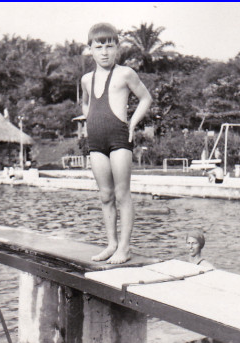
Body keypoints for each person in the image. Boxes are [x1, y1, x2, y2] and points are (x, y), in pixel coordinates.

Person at [81, 23, 152, 264]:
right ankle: (111, 243)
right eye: (98, 47)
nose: (104, 52)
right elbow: (85, 104)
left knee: (122, 194)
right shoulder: (86, 80)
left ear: (117, 49)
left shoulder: (125, 74)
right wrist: (88, 120)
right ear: (89, 49)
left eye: (109, 47)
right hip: (96, 141)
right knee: (105, 195)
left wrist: (132, 123)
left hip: (120, 138)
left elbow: (145, 98)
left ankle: (125, 247)